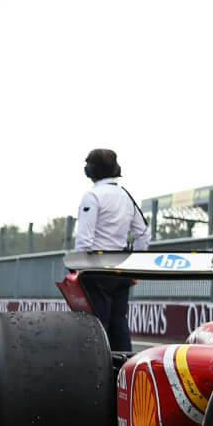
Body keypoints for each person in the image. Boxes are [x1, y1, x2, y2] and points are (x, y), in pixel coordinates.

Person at [75, 148, 151, 350]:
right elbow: (144, 233)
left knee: (96, 325)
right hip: (121, 268)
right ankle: (124, 373)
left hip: (96, 269)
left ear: (91, 170)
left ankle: (95, 371)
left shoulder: (92, 196)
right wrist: (137, 267)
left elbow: (84, 239)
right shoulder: (126, 196)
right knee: (119, 324)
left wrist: (77, 269)